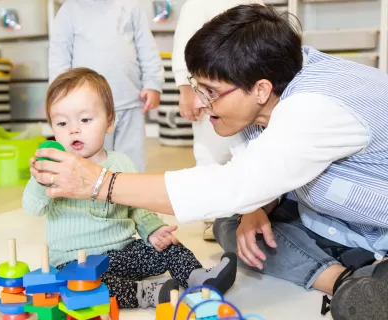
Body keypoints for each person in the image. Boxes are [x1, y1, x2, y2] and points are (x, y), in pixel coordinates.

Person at [31, 5, 388, 320]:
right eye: (196, 87)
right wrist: (255, 207)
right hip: (334, 218)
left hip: (374, 220)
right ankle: (346, 277)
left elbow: (231, 185)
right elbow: (252, 178)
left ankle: (354, 280)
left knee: (234, 211)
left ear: (261, 89)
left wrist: (99, 183)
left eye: (210, 92)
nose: (199, 104)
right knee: (234, 224)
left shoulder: (314, 108)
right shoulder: (268, 88)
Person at [22, 68, 237, 309]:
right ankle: (146, 294)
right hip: (75, 261)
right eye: (62, 123)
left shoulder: (121, 163)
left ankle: (198, 277)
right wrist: (39, 182)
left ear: (109, 121)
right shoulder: (55, 169)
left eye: (85, 120)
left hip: (125, 251)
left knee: (169, 246)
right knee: (82, 286)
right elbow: (32, 207)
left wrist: (153, 230)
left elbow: (138, 208)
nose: (74, 129)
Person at [172, 0, 263, 241]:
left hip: (244, 94)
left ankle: (249, 204)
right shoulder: (196, 5)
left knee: (248, 151)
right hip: (210, 95)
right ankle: (213, 213)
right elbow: (184, 46)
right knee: (210, 154)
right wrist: (186, 89)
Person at [48, 0, 164, 172]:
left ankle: (132, 193)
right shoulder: (69, 10)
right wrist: (58, 96)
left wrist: (152, 83)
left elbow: (146, 48)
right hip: (86, 109)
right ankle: (92, 193)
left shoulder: (131, 6)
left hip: (130, 100)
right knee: (91, 157)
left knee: (133, 159)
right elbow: (59, 57)